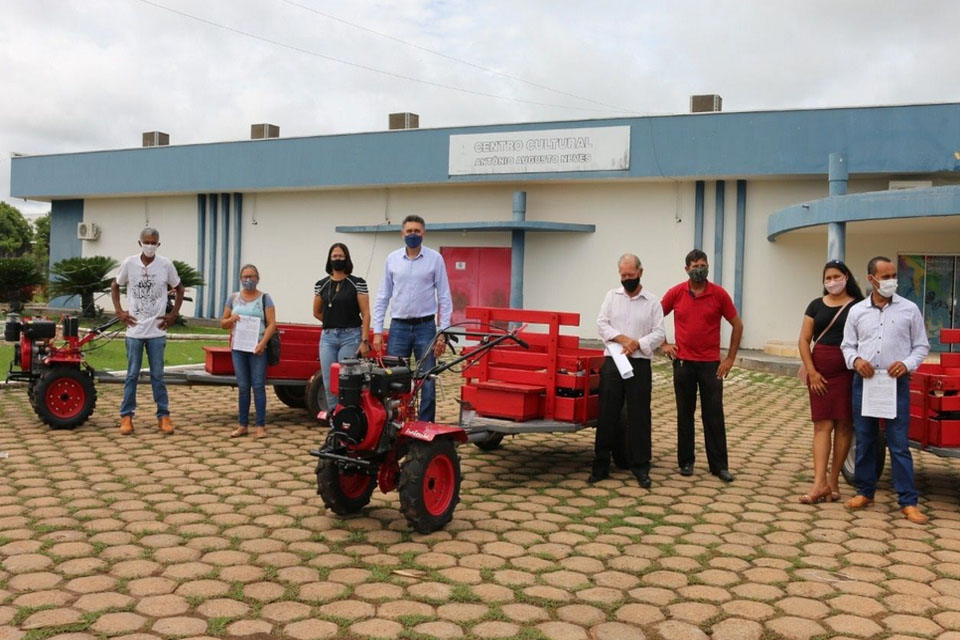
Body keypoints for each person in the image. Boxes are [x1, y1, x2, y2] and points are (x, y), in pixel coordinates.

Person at [841, 256, 930, 524]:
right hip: (865, 383)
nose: (892, 281)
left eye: (894, 276)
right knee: (866, 439)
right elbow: (847, 346)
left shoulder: (910, 309)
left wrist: (906, 363)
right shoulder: (857, 311)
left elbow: (921, 346)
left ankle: (908, 501)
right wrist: (856, 361)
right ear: (871, 279)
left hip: (895, 384)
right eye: (886, 276)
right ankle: (865, 491)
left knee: (899, 444)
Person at [661, 249, 742, 483]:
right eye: (695, 265)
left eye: (703, 265)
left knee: (713, 415)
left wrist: (729, 359)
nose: (700, 269)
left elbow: (737, 325)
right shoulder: (676, 293)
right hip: (684, 363)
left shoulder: (719, 295)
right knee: (684, 414)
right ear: (686, 269)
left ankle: (719, 466)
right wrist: (664, 344)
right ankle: (686, 462)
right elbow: (654, 316)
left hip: (710, 365)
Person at [591, 254, 665, 488]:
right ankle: (601, 465)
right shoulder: (611, 297)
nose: (627, 279)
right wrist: (623, 339)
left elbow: (659, 333)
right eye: (623, 276)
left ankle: (641, 466)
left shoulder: (652, 301)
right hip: (613, 362)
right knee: (607, 413)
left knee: (639, 415)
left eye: (631, 276)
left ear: (640, 273)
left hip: (640, 363)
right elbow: (602, 324)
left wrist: (637, 344)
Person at [372, 215, 453, 422]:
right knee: (395, 379)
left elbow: (444, 296)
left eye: (417, 231)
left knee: (427, 379)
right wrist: (378, 331)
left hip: (426, 327)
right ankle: (395, 423)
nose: (413, 235)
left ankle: (425, 426)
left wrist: (442, 333)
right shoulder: (392, 259)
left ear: (423, 232)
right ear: (402, 234)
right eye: (409, 231)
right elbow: (383, 296)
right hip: (399, 327)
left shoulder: (435, 259)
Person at [797, 259, 863, 504]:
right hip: (820, 374)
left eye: (836, 276)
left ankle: (833, 482)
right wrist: (812, 372)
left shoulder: (859, 306)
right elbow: (804, 340)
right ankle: (818, 483)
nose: (832, 282)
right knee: (822, 426)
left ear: (846, 276)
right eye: (828, 278)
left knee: (844, 426)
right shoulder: (815, 305)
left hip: (848, 372)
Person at [111, 227, 184, 436]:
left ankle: (164, 416)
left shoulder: (165, 265)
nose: (150, 245)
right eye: (146, 242)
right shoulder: (129, 263)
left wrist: (174, 314)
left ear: (158, 245)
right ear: (140, 243)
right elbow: (115, 285)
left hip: (157, 331)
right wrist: (119, 311)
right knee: (131, 375)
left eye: (154, 242)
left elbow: (179, 289)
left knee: (158, 376)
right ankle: (126, 416)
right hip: (134, 330)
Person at [221, 264, 277, 439]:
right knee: (243, 387)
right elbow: (223, 324)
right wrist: (231, 319)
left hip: (258, 348)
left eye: (252, 276)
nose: (248, 280)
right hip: (238, 348)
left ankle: (260, 426)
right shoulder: (233, 298)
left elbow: (272, 324)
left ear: (258, 278)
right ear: (240, 279)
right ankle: (242, 425)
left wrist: (262, 343)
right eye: (245, 276)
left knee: (258, 386)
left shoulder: (265, 299)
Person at [313, 243, 370, 414]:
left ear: (347, 258)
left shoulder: (357, 283)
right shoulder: (321, 284)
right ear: (329, 260)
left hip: (350, 337)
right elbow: (316, 312)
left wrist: (364, 340)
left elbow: (366, 314)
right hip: (328, 338)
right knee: (329, 381)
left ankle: (348, 418)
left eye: (341, 256)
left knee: (345, 380)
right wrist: (334, 320)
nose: (338, 259)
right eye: (334, 256)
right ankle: (334, 420)